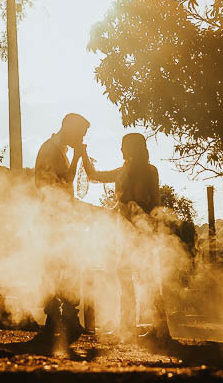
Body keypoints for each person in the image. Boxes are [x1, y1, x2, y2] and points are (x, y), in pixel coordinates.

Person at [81, 133, 176, 349]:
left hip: (140, 231)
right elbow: (93, 175)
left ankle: (156, 330)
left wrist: (139, 223)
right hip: (132, 231)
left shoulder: (146, 171)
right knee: (131, 278)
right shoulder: (125, 171)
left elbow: (147, 204)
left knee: (144, 279)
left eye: (123, 147)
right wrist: (83, 152)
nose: (121, 151)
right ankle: (134, 328)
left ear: (132, 149)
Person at [33, 113, 90, 347]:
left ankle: (64, 317)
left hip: (59, 216)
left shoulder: (57, 149)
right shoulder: (51, 150)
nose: (81, 139)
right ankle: (59, 318)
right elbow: (60, 184)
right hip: (54, 217)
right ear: (68, 128)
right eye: (80, 134)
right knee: (59, 266)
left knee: (62, 266)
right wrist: (77, 157)